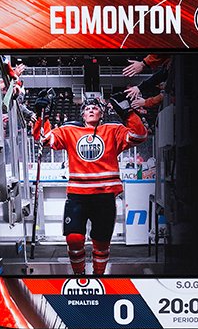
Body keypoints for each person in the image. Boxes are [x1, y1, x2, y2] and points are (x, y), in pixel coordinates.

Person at [33, 96, 147, 275]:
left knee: (101, 242)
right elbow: (45, 139)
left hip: (105, 196)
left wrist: (128, 114)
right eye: (87, 109)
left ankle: (99, 277)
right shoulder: (69, 130)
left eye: (95, 108)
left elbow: (139, 135)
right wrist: (43, 117)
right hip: (78, 196)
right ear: (83, 115)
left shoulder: (113, 130)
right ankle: (79, 275)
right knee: (74, 238)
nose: (91, 110)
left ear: (101, 113)